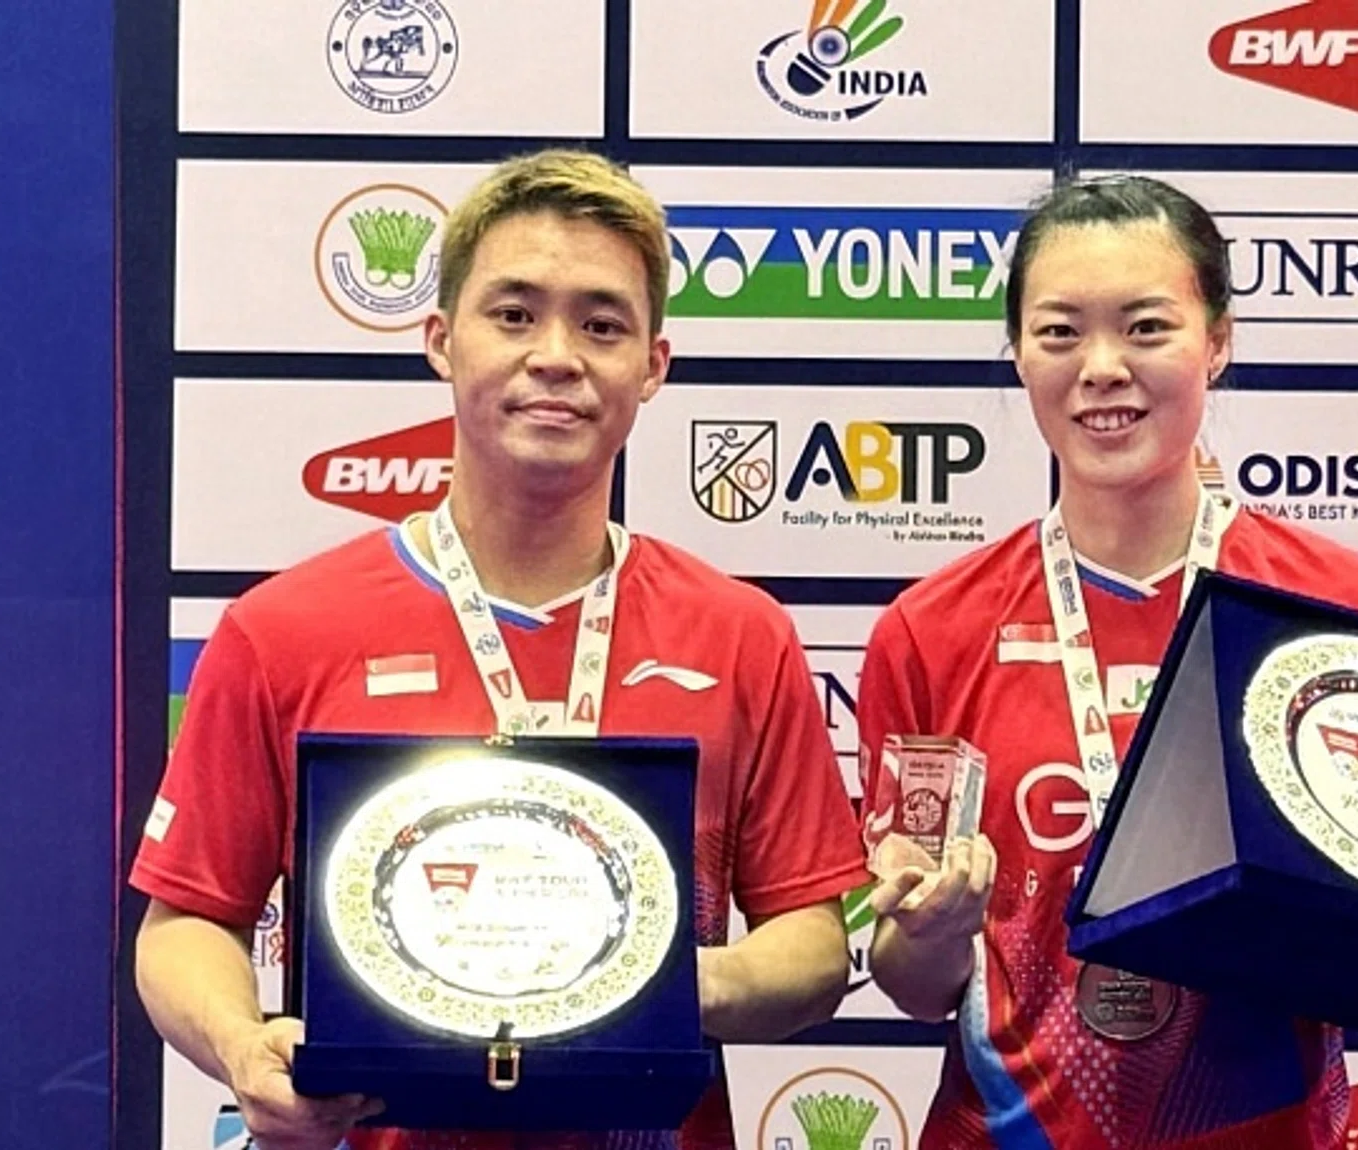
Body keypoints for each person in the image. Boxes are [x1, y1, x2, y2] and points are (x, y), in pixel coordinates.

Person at [130, 149, 871, 1150]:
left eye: (602, 323)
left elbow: (813, 945)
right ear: (442, 340)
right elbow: (184, 926)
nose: (556, 354)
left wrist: (657, 974)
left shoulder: (740, 633)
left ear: (653, 364)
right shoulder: (284, 627)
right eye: (514, 314)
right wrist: (240, 1042)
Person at [856, 174, 1358, 1149]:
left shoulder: (1340, 603)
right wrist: (925, 931)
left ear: (1217, 340)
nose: (1100, 368)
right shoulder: (934, 628)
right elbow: (917, 988)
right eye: (1058, 332)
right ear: (1016, 354)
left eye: (1145, 327)